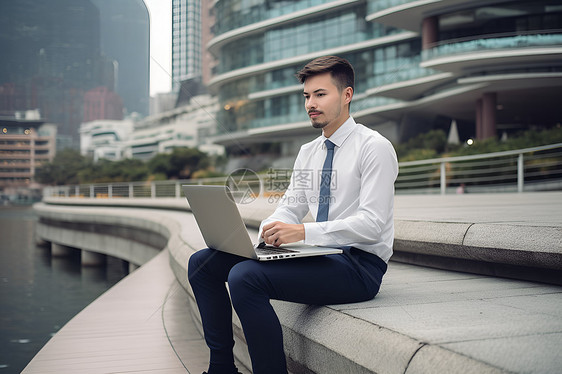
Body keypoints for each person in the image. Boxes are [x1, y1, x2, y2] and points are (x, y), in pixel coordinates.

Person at [188, 56, 398, 374]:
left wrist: (301, 233)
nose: (310, 103)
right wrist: (272, 230)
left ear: (347, 95)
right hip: (319, 254)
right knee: (202, 264)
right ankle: (221, 369)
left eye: (320, 94)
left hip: (359, 267)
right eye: (306, 96)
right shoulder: (308, 151)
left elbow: (372, 225)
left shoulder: (374, 147)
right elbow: (291, 205)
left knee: (245, 277)